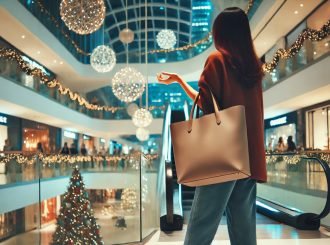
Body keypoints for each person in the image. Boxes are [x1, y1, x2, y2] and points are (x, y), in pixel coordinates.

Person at [157, 7, 266, 245]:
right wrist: (180, 80)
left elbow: (206, 105)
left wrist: (178, 83)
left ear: (221, 33)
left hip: (222, 156)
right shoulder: (252, 67)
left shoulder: (217, 60)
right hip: (248, 159)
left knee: (201, 226)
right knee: (244, 232)